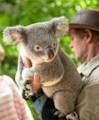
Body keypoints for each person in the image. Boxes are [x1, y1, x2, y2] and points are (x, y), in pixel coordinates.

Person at [68, 9, 99, 120]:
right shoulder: (83, 69)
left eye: (72, 39)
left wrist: (39, 97)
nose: (70, 45)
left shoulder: (96, 79)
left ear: (87, 35)